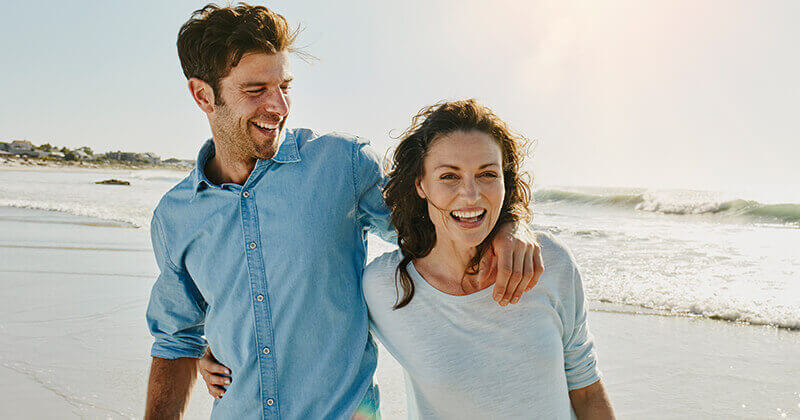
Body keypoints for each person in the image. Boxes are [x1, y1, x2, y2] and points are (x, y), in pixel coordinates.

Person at [144, 4, 543, 419]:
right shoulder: (176, 217)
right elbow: (175, 340)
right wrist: (224, 339)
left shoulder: (343, 164)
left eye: (285, 86)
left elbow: (437, 223)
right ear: (203, 95)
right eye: (255, 90)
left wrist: (511, 222)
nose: (278, 105)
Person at [201, 99, 615, 419]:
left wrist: (515, 224)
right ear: (420, 185)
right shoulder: (386, 289)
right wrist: (225, 345)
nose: (470, 195)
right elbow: (308, 326)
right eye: (449, 176)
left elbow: (586, 387)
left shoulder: (549, 265)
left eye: (488, 174)